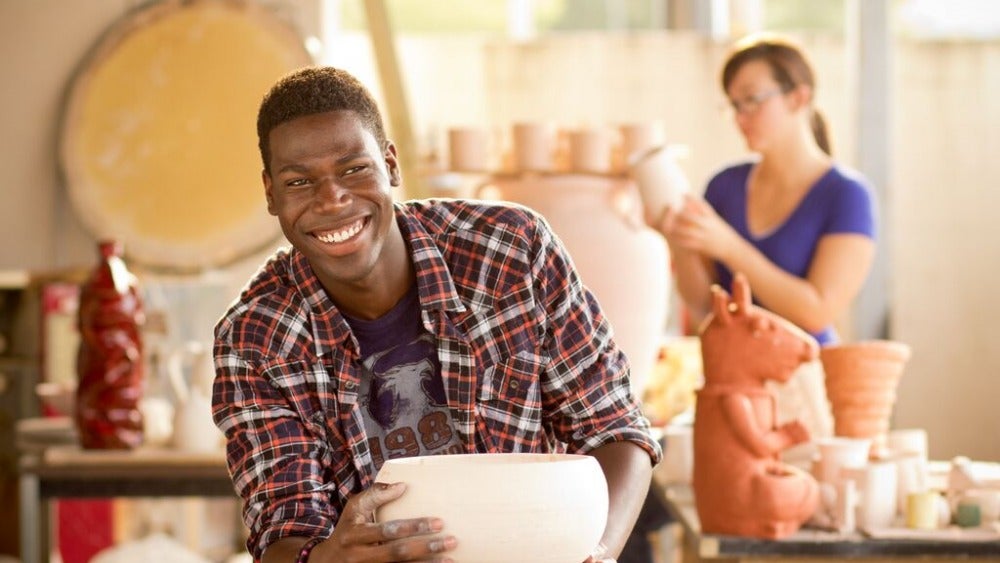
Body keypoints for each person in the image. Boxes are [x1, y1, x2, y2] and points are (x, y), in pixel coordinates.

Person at [212, 66, 662, 563]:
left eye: (354, 169)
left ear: (391, 165)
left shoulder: (511, 250)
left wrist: (595, 554)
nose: (331, 199)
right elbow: (282, 526)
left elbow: (617, 431)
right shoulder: (255, 336)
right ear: (271, 194)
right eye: (300, 181)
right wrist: (327, 559)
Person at [653, 35, 877, 441]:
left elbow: (816, 311)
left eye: (752, 100)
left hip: (808, 386)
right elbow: (705, 305)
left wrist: (729, 246)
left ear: (798, 98)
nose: (742, 116)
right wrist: (681, 242)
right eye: (734, 105)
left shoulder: (847, 195)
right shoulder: (725, 186)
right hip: (732, 385)